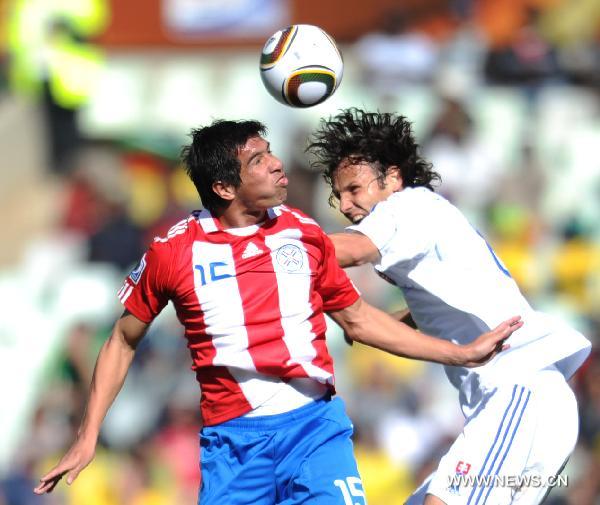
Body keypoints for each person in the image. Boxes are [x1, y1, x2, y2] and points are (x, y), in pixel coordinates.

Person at [33, 119, 522, 505]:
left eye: (270, 152)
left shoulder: (303, 232)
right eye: (259, 159)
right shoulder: (172, 251)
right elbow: (122, 339)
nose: (276, 164)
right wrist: (87, 433)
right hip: (233, 446)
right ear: (225, 187)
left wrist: (459, 353)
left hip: (315, 429)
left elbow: (358, 321)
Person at [307, 108, 592, 505]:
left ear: (392, 177)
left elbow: (350, 250)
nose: (347, 205)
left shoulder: (405, 208)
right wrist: (397, 320)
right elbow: (451, 297)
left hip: (520, 388)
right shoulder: (426, 216)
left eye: (355, 189)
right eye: (339, 196)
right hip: (523, 400)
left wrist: (270, 243)